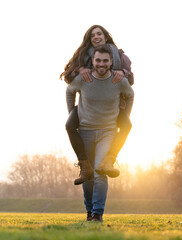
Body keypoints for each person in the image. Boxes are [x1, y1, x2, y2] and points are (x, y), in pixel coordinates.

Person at [66, 44, 134, 221]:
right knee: (88, 175)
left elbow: (130, 94)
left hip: (107, 132)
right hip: (85, 132)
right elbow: (69, 90)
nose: (101, 64)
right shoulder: (84, 78)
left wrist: (125, 114)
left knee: (100, 171)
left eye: (105, 61)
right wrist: (72, 111)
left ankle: (97, 213)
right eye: (98, 60)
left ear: (111, 61)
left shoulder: (118, 80)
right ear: (93, 61)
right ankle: (89, 211)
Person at [60, 25, 134, 185]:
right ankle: (84, 165)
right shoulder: (81, 56)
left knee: (127, 124)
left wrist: (124, 73)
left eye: (99, 33)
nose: (96, 37)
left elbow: (131, 81)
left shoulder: (120, 56)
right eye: (92, 35)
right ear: (89, 39)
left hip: (114, 105)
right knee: (69, 125)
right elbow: (68, 77)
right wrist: (78, 70)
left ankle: (110, 159)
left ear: (106, 36)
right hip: (87, 106)